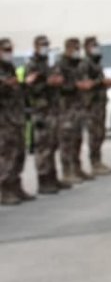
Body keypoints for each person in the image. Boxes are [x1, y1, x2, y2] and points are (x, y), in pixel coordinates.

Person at [24, 35, 71, 194]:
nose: (45, 47)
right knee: (43, 147)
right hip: (41, 111)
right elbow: (30, 88)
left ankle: (52, 177)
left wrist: (58, 80)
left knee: (52, 144)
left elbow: (60, 79)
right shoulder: (32, 65)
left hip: (54, 109)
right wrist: (46, 83)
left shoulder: (49, 62)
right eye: (43, 44)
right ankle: (43, 181)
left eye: (47, 44)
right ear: (36, 46)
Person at [55, 38, 97, 185]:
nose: (77, 51)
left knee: (77, 138)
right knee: (66, 140)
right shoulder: (61, 64)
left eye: (78, 48)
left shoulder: (78, 64)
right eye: (75, 48)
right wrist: (76, 85)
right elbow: (59, 85)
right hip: (66, 107)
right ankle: (67, 171)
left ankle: (77, 167)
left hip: (79, 105)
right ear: (67, 48)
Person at [0, 38, 33, 205]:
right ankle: (4, 190)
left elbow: (18, 90)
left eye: (10, 49)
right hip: (4, 120)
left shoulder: (10, 68)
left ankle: (16, 186)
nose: (9, 53)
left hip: (17, 117)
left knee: (19, 153)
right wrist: (6, 85)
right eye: (6, 50)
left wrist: (23, 84)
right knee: (7, 155)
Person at [79, 36, 111, 176]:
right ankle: (94, 163)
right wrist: (101, 82)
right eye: (93, 45)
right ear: (87, 47)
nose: (96, 48)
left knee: (100, 133)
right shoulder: (85, 64)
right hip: (91, 104)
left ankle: (98, 160)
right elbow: (86, 84)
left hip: (99, 102)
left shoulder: (96, 63)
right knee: (94, 133)